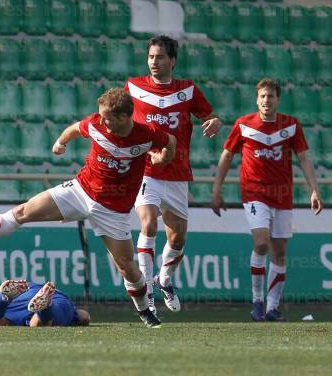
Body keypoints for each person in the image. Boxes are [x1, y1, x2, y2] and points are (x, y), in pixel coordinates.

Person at [0, 88, 176, 328]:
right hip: (80, 191)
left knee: (126, 267)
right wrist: (60, 142)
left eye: (107, 117)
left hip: (114, 210)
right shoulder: (95, 123)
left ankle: (145, 311)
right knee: (22, 212)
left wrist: (162, 158)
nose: (101, 120)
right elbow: (74, 129)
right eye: (100, 115)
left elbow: (170, 141)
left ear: (124, 118)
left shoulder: (147, 134)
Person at [211, 78, 323, 322]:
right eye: (262, 96)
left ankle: (272, 307)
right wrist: (216, 190)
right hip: (254, 192)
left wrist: (314, 189)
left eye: (270, 96)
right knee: (261, 243)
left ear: (278, 99)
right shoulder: (243, 125)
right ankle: (257, 302)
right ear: (256, 99)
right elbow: (227, 156)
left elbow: (303, 158)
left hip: (283, 195)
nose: (266, 100)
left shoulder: (291, 126)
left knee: (279, 251)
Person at [124, 35, 221, 314]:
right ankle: (147, 295)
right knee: (148, 226)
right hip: (146, 170)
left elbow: (211, 116)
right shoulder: (133, 87)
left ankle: (164, 280)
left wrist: (214, 122)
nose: (155, 62)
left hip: (177, 175)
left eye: (161, 57)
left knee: (177, 239)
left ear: (173, 60)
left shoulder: (188, 90)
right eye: (151, 57)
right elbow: (118, 120)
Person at [0, 280, 90, 327]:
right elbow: (84, 316)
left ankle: (2, 296)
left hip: (18, 299)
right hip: (53, 298)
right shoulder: (66, 304)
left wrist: (0, 291)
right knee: (37, 323)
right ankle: (46, 305)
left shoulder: (23, 287)